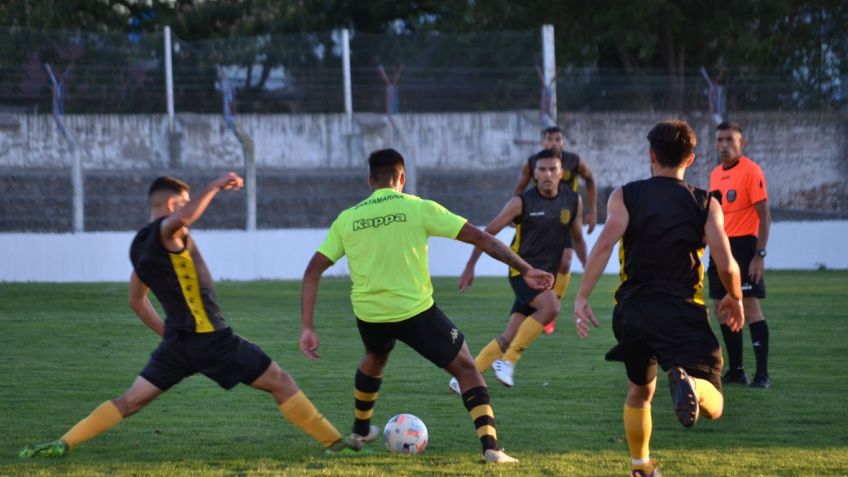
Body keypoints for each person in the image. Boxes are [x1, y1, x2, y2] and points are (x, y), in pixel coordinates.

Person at [19, 173, 358, 458]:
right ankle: (336, 444)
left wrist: (167, 334)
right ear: (170, 205)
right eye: (183, 202)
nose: (186, 212)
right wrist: (215, 185)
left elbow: (136, 301)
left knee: (130, 401)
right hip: (212, 340)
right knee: (282, 383)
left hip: (177, 346)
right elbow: (181, 221)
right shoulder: (170, 232)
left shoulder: (138, 246)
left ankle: (63, 443)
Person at [300, 148, 554, 464]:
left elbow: (312, 271)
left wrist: (308, 327)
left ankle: (360, 430)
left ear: (370, 180)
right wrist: (526, 268)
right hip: (415, 312)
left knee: (375, 357)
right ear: (402, 178)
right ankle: (491, 448)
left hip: (370, 315)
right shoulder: (418, 208)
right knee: (467, 368)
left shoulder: (347, 219)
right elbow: (481, 238)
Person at [572, 120, 745, 477]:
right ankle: (692, 384)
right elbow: (726, 263)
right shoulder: (705, 202)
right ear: (692, 158)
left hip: (632, 312)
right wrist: (735, 297)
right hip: (681, 312)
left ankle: (641, 467)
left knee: (639, 389)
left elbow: (604, 244)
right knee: (716, 402)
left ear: (651, 154)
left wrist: (582, 297)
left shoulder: (624, 195)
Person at [452, 148, 587, 391]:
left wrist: (588, 266)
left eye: (552, 169)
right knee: (551, 307)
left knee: (510, 334)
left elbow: (577, 237)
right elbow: (487, 233)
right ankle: (509, 361)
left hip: (546, 277)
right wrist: (470, 266)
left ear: (561, 173)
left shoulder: (572, 200)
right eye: (542, 169)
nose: (547, 174)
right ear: (534, 174)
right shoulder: (521, 202)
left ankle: (463, 378)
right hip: (521, 272)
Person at [513, 125, 597, 333]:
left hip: (567, 215)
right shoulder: (533, 163)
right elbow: (521, 187)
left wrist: (593, 211)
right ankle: (543, 304)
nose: (553, 143)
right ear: (543, 143)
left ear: (563, 143)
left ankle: (552, 307)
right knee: (546, 264)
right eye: (549, 139)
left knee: (567, 261)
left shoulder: (575, 161)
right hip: (543, 218)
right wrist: (515, 211)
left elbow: (590, 179)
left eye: (557, 139)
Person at [708, 121, 772, 388]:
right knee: (721, 308)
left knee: (749, 306)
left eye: (729, 140)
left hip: (745, 247)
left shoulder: (751, 171)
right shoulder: (714, 174)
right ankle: (736, 370)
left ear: (741, 143)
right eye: (720, 140)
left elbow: (765, 216)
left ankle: (762, 375)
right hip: (719, 246)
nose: (724, 146)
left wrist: (759, 255)